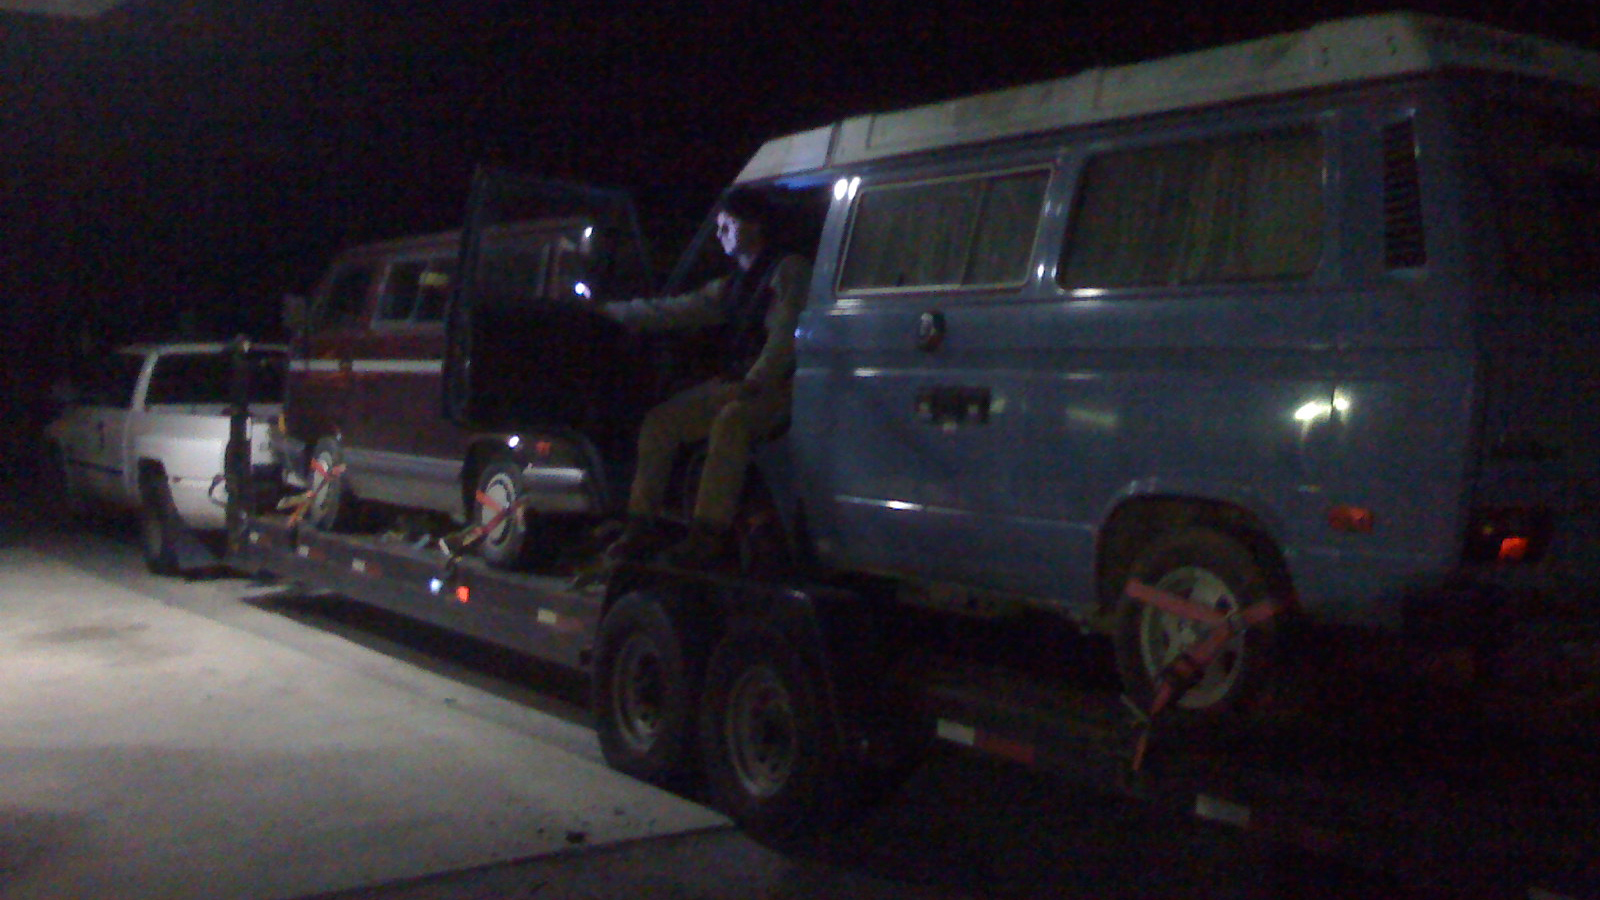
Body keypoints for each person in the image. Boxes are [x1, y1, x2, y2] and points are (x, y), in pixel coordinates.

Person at [601, 187, 812, 567]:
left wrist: (756, 380)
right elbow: (674, 310)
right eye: (717, 227)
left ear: (754, 225)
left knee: (732, 420)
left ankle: (707, 534)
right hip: (743, 382)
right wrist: (609, 313)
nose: (719, 234)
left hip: (783, 386)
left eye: (727, 225)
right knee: (661, 422)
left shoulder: (788, 270)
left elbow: (785, 336)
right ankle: (640, 525)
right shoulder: (734, 285)